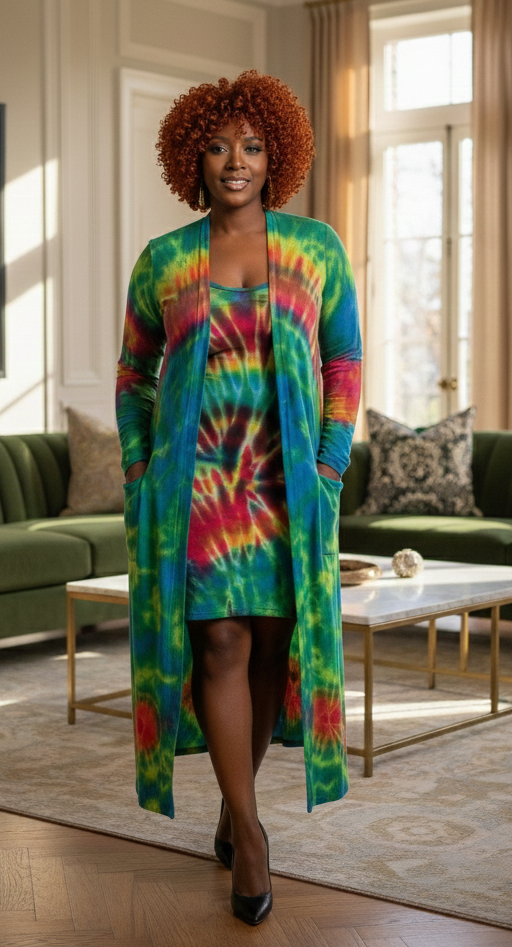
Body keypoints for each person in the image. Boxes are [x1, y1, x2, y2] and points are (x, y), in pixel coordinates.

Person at [115, 71, 362, 925]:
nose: (235, 161)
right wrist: (141, 471)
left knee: (267, 650)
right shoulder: (163, 259)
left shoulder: (318, 248)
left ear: (276, 157)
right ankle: (251, 839)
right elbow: (133, 374)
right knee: (216, 643)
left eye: (253, 146)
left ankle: (233, 802)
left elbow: (343, 365)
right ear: (193, 154)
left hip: (285, 482)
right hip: (197, 489)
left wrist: (330, 467)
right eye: (219, 145)